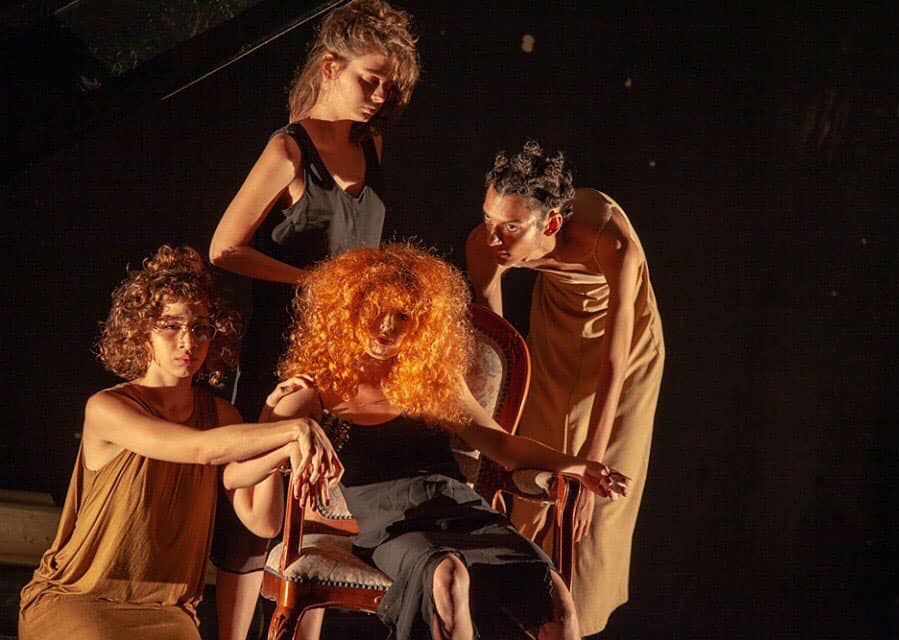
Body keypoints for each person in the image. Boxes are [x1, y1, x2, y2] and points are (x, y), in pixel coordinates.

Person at [256, 244, 630, 640]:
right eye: (377, 310)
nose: (387, 326)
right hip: (393, 528)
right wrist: (272, 409)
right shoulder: (316, 389)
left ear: (421, 322)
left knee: (557, 601)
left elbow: (502, 446)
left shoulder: (431, 380)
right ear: (350, 310)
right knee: (448, 578)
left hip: (463, 513)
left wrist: (578, 465)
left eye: (403, 315)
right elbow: (256, 455)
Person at [207, 1, 419, 635]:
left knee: (315, 519)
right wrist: (310, 280)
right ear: (330, 67)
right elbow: (224, 248)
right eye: (369, 81)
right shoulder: (288, 149)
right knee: (251, 528)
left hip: (346, 364)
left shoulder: (370, 143)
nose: (379, 97)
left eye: (388, 87)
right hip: (281, 353)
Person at [18, 245, 335, 640]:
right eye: (170, 326)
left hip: (168, 610)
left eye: (200, 328)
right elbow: (199, 449)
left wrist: (273, 425)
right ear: (141, 332)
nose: (188, 342)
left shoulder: (222, 417)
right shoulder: (108, 408)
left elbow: (262, 520)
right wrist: (293, 431)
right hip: (79, 599)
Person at [465, 141, 666, 635]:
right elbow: (495, 355)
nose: (493, 236)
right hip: (554, 332)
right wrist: (491, 449)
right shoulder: (485, 247)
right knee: (529, 483)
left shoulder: (610, 242)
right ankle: (527, 616)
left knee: (592, 511)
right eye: (489, 218)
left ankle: (576, 623)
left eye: (511, 227)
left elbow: (615, 362)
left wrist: (589, 470)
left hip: (625, 356)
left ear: (551, 224)